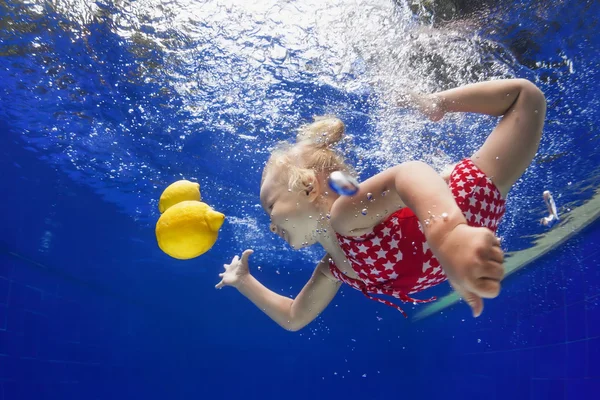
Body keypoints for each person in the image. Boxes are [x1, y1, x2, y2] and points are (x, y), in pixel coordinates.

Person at [215, 78, 546, 331]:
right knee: (526, 102)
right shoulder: (334, 269)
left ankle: (437, 103)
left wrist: (450, 238)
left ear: (307, 187)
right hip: (466, 234)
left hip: (469, 198)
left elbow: (409, 174)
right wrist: (244, 281)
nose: (270, 225)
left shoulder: (345, 215)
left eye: (270, 206)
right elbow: (293, 317)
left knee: (525, 98)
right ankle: (443, 185)